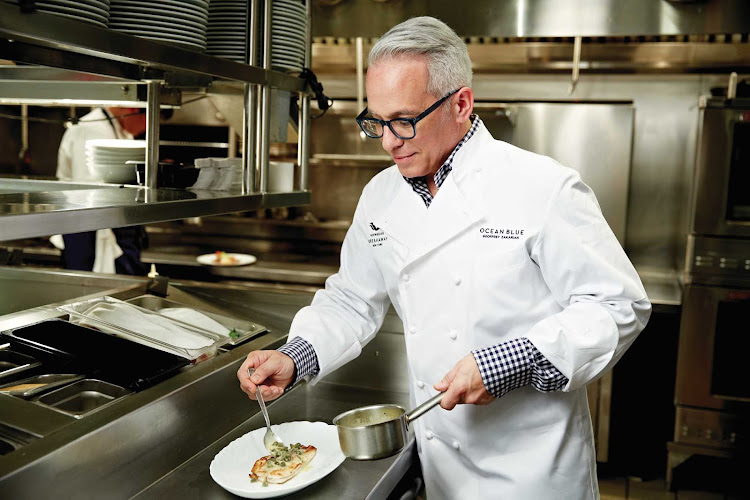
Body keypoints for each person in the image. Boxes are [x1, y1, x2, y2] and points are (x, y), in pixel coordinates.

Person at [238, 16, 651, 499]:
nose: (390, 140)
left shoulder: (542, 187)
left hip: (532, 470)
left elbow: (618, 306)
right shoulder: (381, 197)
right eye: (376, 121)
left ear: (461, 103)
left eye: (404, 121)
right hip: (441, 460)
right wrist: (296, 356)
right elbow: (352, 299)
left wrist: (511, 360)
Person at [56, 107, 148, 275]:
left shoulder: (116, 128)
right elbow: (88, 191)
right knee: (87, 288)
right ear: (133, 109)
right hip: (85, 228)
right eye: (147, 120)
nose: (146, 128)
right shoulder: (91, 130)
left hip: (105, 224)